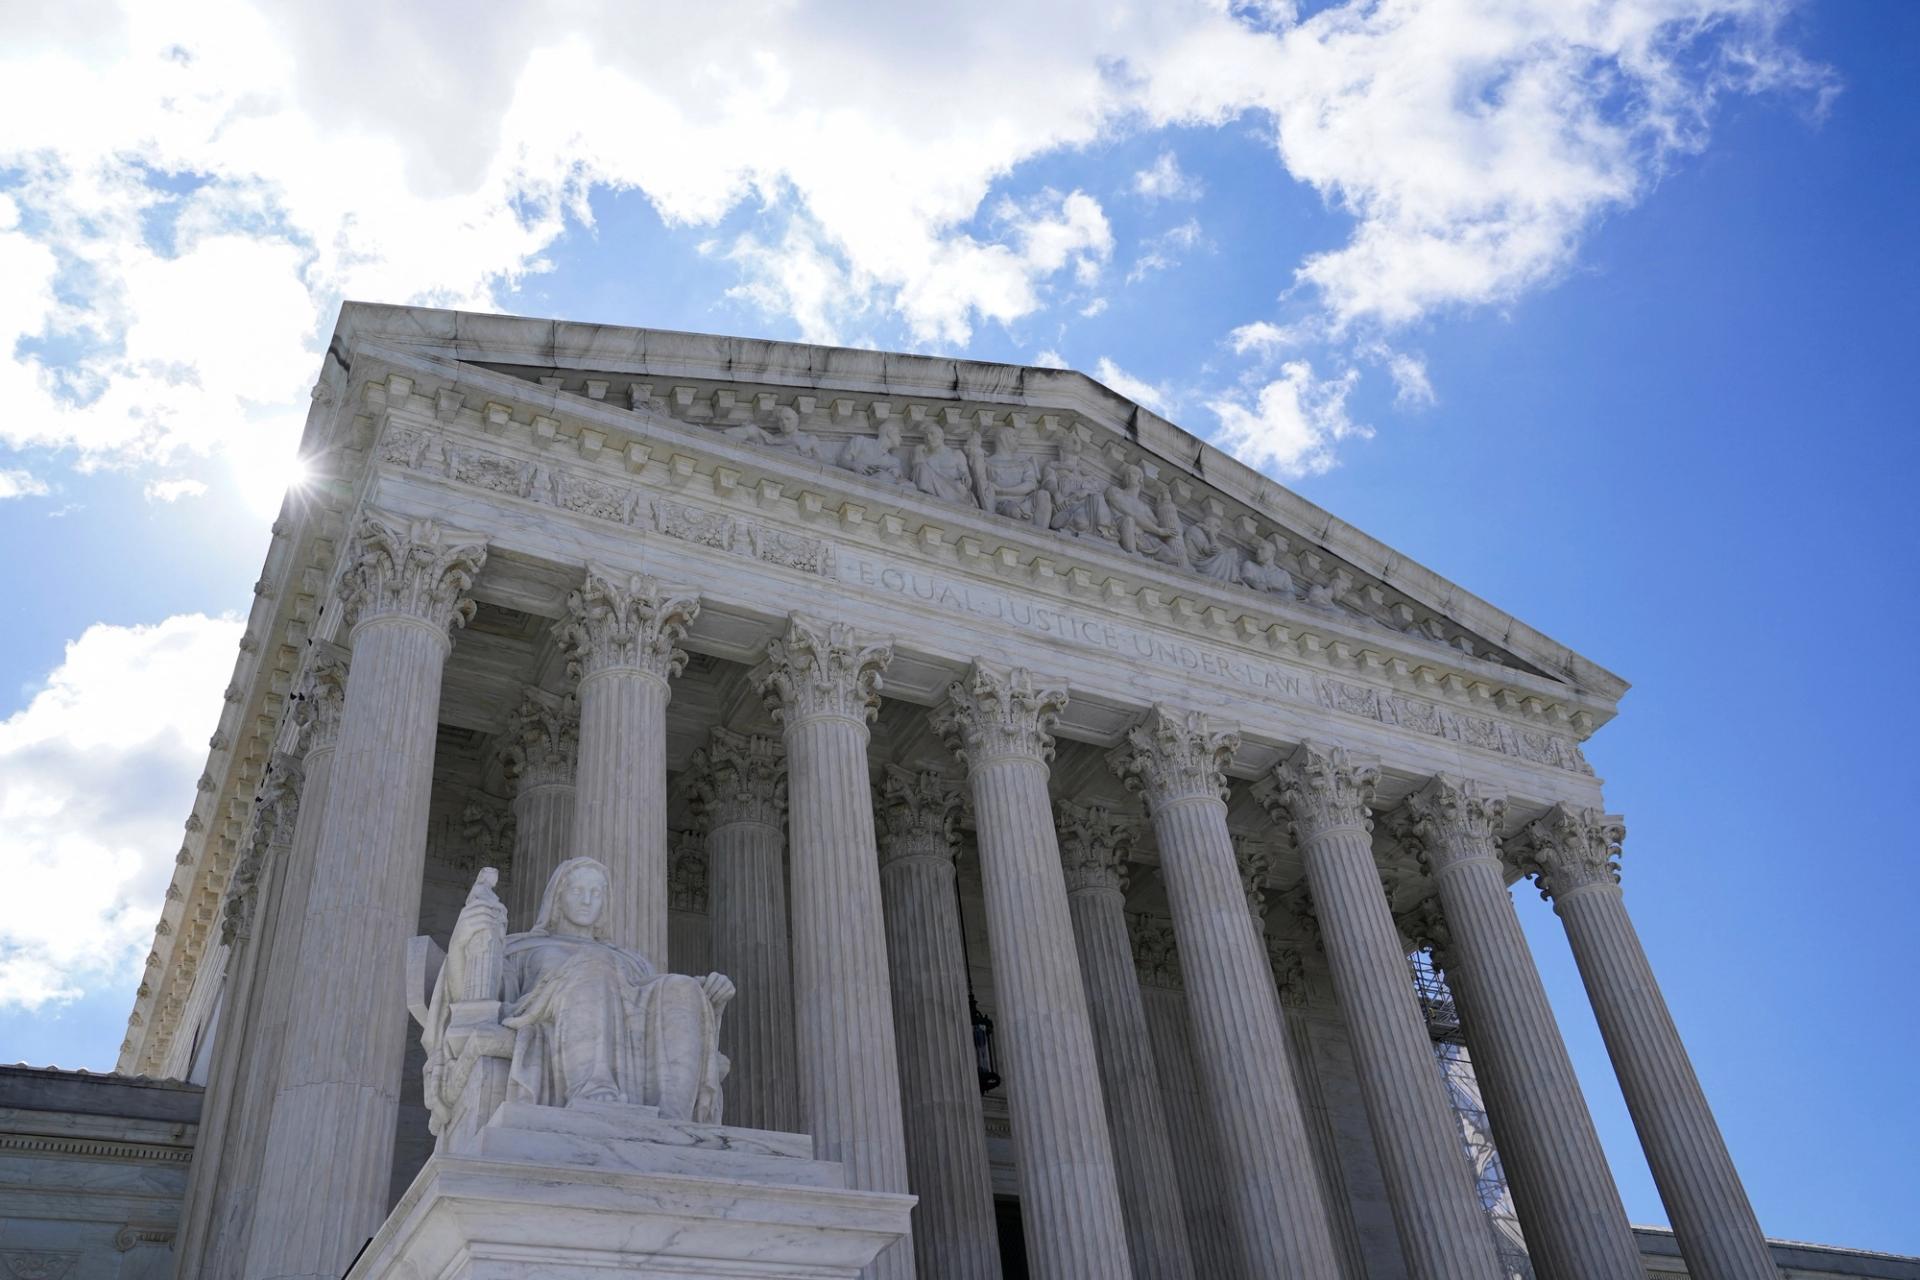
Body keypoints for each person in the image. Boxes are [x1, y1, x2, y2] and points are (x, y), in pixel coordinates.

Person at [439, 857, 734, 1123]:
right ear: (558, 897)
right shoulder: (524, 948)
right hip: (547, 1016)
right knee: (594, 965)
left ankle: (672, 1117)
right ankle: (592, 1089)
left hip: (626, 1024)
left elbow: (651, 1002)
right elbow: (475, 998)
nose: (587, 900)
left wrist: (708, 998)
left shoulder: (630, 960)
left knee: (682, 985)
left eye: (596, 893)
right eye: (577, 891)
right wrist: (463, 940)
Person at [971, 425, 1053, 528]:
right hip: (1001, 505)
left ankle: (1042, 536)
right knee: (1013, 511)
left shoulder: (1024, 464)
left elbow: (1030, 485)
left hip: (1025, 503)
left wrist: (1002, 490)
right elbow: (981, 486)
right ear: (1003, 438)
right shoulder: (986, 463)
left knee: (1044, 495)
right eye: (1014, 436)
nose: (1017, 440)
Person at [910, 422, 977, 506]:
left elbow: (967, 478)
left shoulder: (956, 454)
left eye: (932, 433)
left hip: (954, 488)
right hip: (931, 492)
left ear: (941, 435)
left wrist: (966, 477)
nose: (929, 438)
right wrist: (918, 450)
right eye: (926, 436)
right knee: (920, 467)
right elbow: (917, 471)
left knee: (960, 487)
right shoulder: (924, 455)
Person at [837, 419, 910, 485]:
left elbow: (901, 483)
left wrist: (896, 475)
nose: (901, 439)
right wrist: (854, 465)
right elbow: (841, 461)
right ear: (889, 433)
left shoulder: (894, 462)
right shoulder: (860, 442)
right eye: (899, 434)